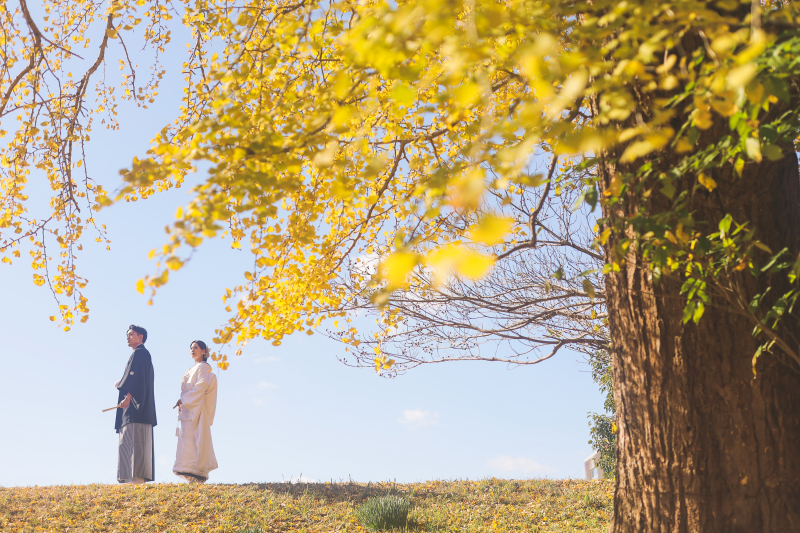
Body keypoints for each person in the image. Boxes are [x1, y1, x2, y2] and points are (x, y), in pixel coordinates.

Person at [114, 325, 157, 484]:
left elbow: (138, 379)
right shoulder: (136, 355)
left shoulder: (142, 353)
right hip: (129, 408)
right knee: (126, 441)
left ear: (140, 337)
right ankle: (127, 478)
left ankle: (137, 477)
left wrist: (128, 396)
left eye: (131, 334)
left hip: (138, 407)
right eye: (127, 334)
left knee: (137, 441)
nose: (128, 337)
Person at [173, 340, 218, 483]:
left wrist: (185, 399)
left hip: (196, 411)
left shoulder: (203, 368)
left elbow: (200, 387)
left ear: (204, 351)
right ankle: (188, 474)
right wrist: (183, 400)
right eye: (191, 348)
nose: (192, 350)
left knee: (195, 441)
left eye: (196, 348)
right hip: (188, 409)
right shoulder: (191, 369)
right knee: (186, 441)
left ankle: (197, 473)